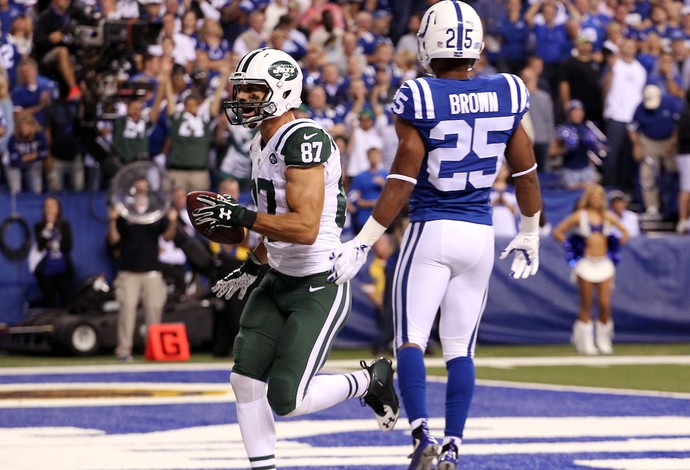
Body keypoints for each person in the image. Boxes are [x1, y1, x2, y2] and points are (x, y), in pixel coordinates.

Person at [328, 2, 543, 468]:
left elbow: (403, 178)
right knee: (461, 348)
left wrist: (363, 240)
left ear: (428, 42)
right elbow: (525, 172)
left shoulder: (420, 96)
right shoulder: (507, 90)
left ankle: (422, 435)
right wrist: (531, 232)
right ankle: (455, 445)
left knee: (410, 341)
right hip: (480, 236)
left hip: (432, 230)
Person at [187, 48, 400, 469]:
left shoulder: (305, 138)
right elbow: (274, 217)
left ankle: (370, 380)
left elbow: (303, 228)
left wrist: (243, 217)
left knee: (287, 397)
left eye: (254, 91)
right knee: (244, 380)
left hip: (317, 283)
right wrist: (254, 263)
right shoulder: (260, 140)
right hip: (278, 277)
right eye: (241, 90)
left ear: (283, 92)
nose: (243, 98)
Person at [552, 184, 629, 355]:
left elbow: (625, 232)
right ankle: (585, 341)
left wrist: (614, 246)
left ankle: (603, 340)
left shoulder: (607, 216)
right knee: (586, 303)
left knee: (604, 303)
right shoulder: (580, 215)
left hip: (604, 263)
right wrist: (570, 245)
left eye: (599, 196)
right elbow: (558, 231)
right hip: (585, 263)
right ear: (587, 198)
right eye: (593, 196)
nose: (596, 199)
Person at [107, 177, 178, 362]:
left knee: (154, 310)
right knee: (126, 310)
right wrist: (112, 221)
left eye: (143, 188)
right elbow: (114, 240)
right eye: (137, 188)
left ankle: (154, 349)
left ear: (148, 190)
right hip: (128, 270)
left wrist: (172, 221)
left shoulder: (155, 211)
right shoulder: (124, 212)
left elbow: (168, 237)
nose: (140, 191)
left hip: (151, 270)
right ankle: (123, 350)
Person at [628, 84, 681, 220]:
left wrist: (673, 141)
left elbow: (679, 125)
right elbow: (632, 129)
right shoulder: (640, 108)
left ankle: (675, 206)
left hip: (668, 140)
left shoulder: (671, 104)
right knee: (647, 174)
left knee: (674, 172)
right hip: (648, 141)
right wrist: (637, 145)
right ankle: (652, 206)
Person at [32, 195, 74, 308]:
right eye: (47, 206)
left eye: (52, 206)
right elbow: (41, 245)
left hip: (63, 268)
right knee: (49, 300)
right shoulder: (39, 226)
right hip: (47, 269)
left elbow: (68, 246)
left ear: (58, 209)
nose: (50, 209)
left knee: (66, 299)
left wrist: (54, 244)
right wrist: (49, 227)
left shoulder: (65, 225)